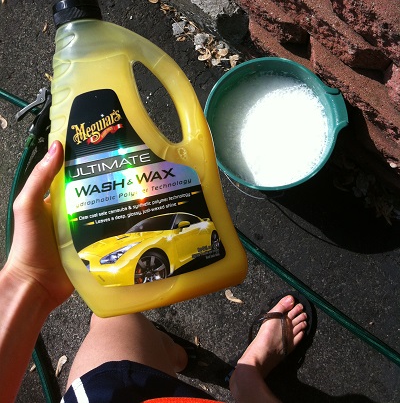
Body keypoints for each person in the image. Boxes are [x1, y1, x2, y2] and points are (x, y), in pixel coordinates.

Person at [0, 141, 309, 403]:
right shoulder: (144, 238)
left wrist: (31, 279)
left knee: (114, 318)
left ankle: (179, 358)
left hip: (110, 394)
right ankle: (245, 377)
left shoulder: (190, 226)